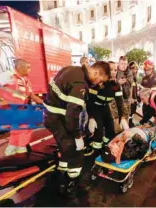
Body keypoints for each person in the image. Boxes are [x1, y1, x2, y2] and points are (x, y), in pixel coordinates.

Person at [43, 61, 110, 205]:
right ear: (96, 73)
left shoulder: (72, 69)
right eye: (100, 80)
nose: (99, 84)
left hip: (52, 116)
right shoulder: (80, 83)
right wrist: (77, 136)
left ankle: (61, 182)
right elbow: (72, 115)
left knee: (66, 150)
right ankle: (70, 191)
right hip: (58, 120)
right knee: (76, 153)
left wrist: (90, 118)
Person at [0, 59, 43, 156]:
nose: (30, 70)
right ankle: (21, 149)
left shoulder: (25, 80)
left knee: (17, 128)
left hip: (20, 109)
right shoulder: (9, 75)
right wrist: (0, 99)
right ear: (20, 67)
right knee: (24, 127)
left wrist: (44, 102)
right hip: (11, 108)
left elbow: (31, 95)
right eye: (28, 67)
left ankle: (12, 149)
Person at [85, 61, 129, 156]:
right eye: (111, 70)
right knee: (99, 129)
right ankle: (96, 154)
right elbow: (90, 102)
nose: (114, 72)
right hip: (95, 108)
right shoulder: (98, 84)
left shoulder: (116, 86)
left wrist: (122, 118)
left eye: (115, 70)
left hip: (105, 107)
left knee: (110, 129)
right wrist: (91, 117)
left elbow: (120, 102)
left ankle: (107, 148)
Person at [139, 60, 156, 125]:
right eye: (145, 69)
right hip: (147, 102)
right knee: (146, 115)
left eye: (149, 69)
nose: (147, 71)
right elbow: (141, 90)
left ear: (152, 68)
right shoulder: (144, 78)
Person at [116, 56, 133, 122]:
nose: (124, 65)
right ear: (118, 63)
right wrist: (118, 83)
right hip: (115, 100)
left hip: (125, 99)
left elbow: (130, 85)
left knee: (125, 119)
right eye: (122, 63)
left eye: (125, 64)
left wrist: (125, 82)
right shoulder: (115, 70)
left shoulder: (129, 73)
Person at [128, 61, 139, 127]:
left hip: (134, 100)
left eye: (136, 68)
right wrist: (130, 98)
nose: (135, 70)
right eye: (133, 68)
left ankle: (131, 123)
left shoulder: (134, 78)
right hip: (130, 100)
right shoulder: (128, 78)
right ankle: (129, 124)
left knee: (133, 113)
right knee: (129, 113)